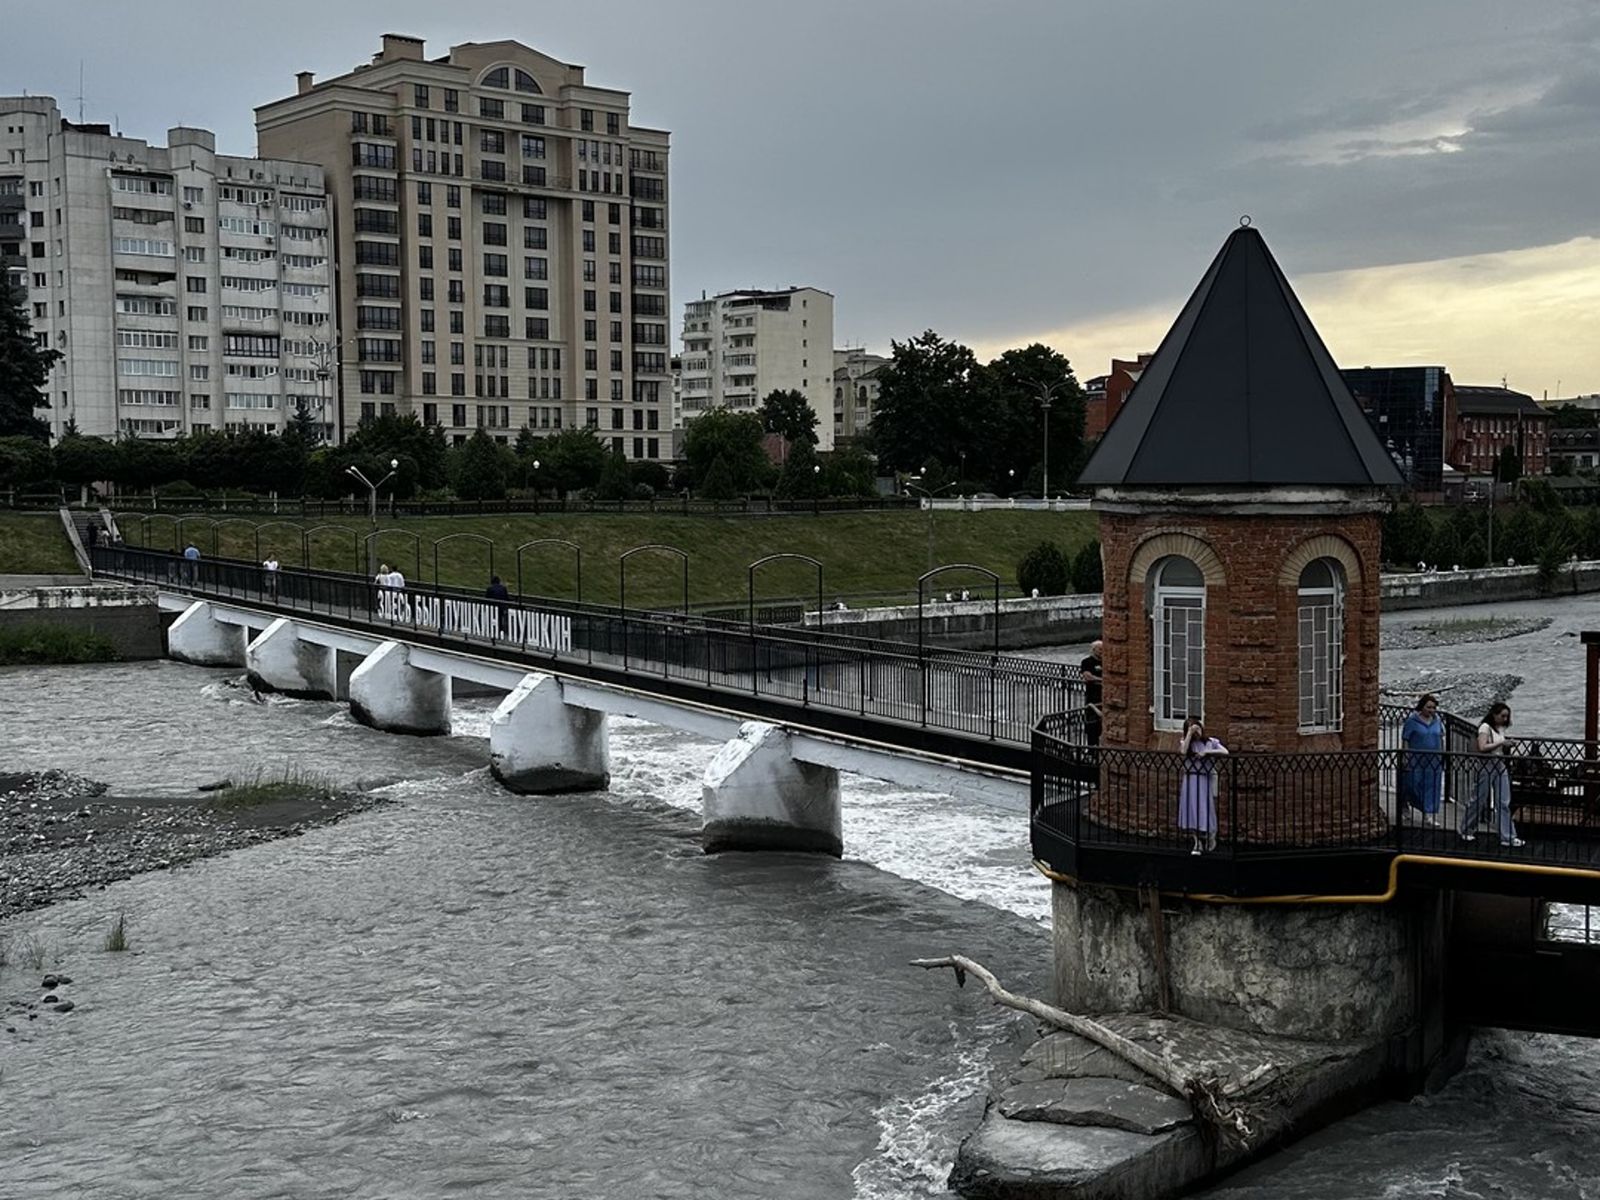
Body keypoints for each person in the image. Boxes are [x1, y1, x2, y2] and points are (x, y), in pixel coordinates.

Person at [1459, 702, 1525, 847]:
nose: (1505, 719)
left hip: (1499, 763)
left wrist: (1504, 745)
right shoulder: (1485, 727)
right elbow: (1482, 747)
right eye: (1503, 716)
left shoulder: (1500, 728)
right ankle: (1467, 828)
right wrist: (1502, 744)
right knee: (1479, 798)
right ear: (1494, 715)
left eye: (1507, 716)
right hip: (1487, 764)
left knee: (1503, 801)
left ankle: (1507, 836)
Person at [1177, 717, 1227, 855]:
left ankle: (1211, 836)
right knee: (1191, 809)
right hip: (1190, 779)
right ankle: (1196, 841)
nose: (1196, 732)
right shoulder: (1187, 743)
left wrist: (1208, 752)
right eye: (1193, 729)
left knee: (1205, 807)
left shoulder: (1210, 742)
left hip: (1204, 779)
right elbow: (1183, 751)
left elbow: (1225, 752)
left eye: (1198, 728)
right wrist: (1188, 734)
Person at [1400, 693, 1444, 827]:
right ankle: (1405, 804)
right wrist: (1406, 756)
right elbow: (1405, 739)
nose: (1431, 710)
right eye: (1428, 707)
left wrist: (1442, 754)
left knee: (1431, 786)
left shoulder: (1437, 721)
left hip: (1433, 759)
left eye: (1433, 708)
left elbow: (1440, 738)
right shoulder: (1412, 721)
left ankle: (1428, 814)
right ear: (1422, 707)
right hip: (1416, 759)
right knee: (1413, 784)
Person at [1080, 639, 1104, 747]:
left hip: (1103, 696)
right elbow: (1088, 677)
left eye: (1103, 649)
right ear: (1093, 650)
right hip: (1092, 695)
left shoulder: (1106, 662)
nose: (1102, 652)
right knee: (1091, 723)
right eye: (1099, 649)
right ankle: (1091, 748)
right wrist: (1102, 680)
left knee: (1102, 723)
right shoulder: (1087, 662)